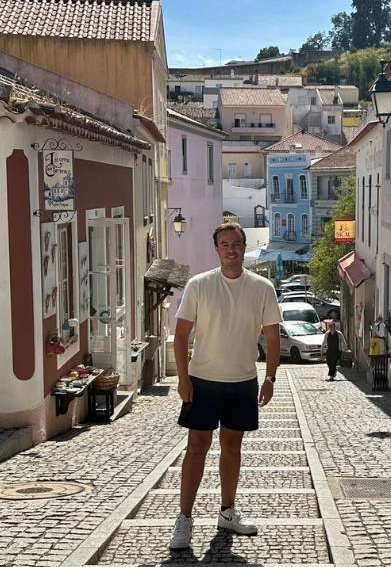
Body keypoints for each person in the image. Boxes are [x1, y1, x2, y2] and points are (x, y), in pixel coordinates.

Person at [170, 222, 281, 550]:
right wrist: (183, 378)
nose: (230, 249)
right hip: (203, 381)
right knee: (196, 448)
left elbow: (272, 337)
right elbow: (180, 336)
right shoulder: (199, 285)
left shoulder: (262, 288)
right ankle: (184, 519)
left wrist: (271, 377)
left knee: (233, 448)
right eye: (224, 244)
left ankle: (227, 512)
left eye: (235, 243)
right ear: (217, 249)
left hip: (243, 381)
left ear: (243, 247)